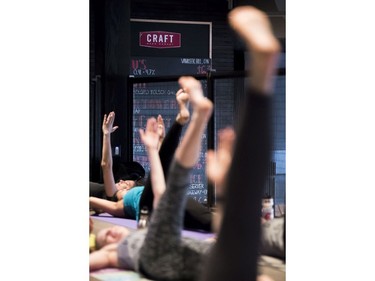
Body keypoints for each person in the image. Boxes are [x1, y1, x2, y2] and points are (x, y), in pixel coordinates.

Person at [90, 5, 283, 281]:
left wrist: (150, 153)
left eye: (123, 182)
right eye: (119, 184)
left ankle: (189, 118)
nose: (120, 184)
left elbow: (160, 186)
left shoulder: (137, 196)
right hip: (165, 228)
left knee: (171, 187)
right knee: (188, 201)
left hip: (164, 223)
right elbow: (104, 172)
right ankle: (190, 118)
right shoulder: (117, 206)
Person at [90, 89, 213, 232]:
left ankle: (181, 120)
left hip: (168, 198)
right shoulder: (115, 198)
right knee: (161, 172)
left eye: (124, 180)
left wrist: (161, 139)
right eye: (119, 182)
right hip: (147, 210)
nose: (121, 181)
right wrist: (106, 135)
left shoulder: (140, 188)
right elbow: (106, 165)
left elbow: (159, 173)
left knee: (208, 220)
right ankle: (179, 121)